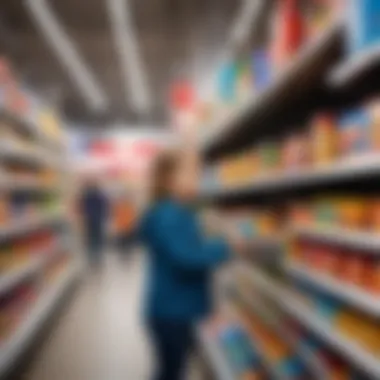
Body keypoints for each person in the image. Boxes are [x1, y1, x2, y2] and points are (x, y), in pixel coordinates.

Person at [140, 150, 242, 380]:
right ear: (170, 180)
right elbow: (186, 257)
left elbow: (187, 247)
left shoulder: (178, 211)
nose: (198, 177)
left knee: (172, 369)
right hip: (173, 312)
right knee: (170, 371)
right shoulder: (169, 214)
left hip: (176, 307)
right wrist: (226, 247)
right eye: (192, 173)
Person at [79, 179, 109, 266]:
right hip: (97, 221)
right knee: (97, 241)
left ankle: (93, 259)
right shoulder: (100, 196)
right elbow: (105, 208)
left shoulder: (87, 197)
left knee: (92, 241)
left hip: (91, 221)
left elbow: (83, 209)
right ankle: (97, 259)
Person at [112, 192, 137, 256]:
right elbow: (117, 216)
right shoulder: (121, 206)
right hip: (123, 226)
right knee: (124, 242)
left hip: (126, 226)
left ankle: (126, 253)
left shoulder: (127, 206)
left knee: (126, 242)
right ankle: (124, 253)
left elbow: (132, 216)